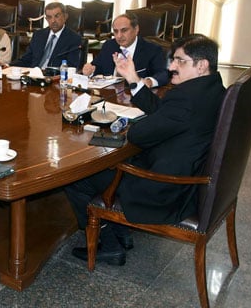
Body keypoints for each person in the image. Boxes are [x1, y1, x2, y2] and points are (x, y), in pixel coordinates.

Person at [64, 34, 226, 266]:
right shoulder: (212, 88)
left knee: (78, 177)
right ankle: (122, 231)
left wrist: (130, 125)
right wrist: (132, 78)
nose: (171, 66)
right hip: (185, 174)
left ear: (201, 65)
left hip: (163, 187)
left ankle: (110, 245)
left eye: (179, 61)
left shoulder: (185, 99)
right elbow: (164, 111)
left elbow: (139, 135)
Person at [82, 13, 168, 87]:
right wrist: (90, 70)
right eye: (116, 31)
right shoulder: (109, 46)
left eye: (124, 30)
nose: (119, 36)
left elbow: (163, 74)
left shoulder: (152, 50)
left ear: (136, 29)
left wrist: (149, 81)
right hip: (109, 94)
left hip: (136, 97)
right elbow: (97, 66)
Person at [11, 2, 83, 69]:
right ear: (46, 19)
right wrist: (7, 66)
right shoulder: (38, 35)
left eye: (56, 16)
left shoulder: (74, 39)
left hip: (55, 78)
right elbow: (26, 59)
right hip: (33, 75)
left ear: (65, 16)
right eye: (49, 17)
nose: (53, 21)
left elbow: (72, 67)